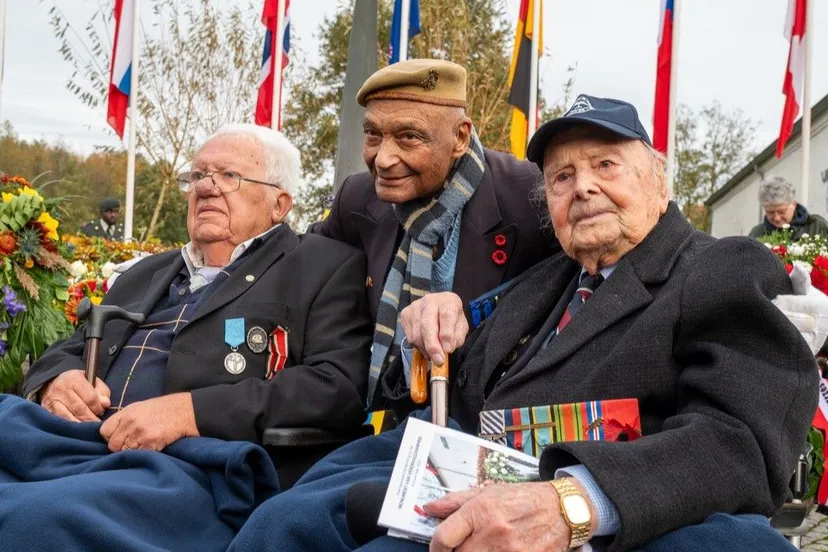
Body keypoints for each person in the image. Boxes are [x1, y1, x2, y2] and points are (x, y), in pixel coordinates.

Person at [228, 96, 816, 552]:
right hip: (459, 472)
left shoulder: (720, 267)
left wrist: (574, 504)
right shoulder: (546, 279)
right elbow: (454, 389)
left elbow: (742, 440)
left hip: (596, 507)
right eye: (561, 178)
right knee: (283, 519)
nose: (582, 186)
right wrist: (435, 321)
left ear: (658, 184)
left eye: (605, 165)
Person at [2, 124, 373, 551]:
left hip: (191, 468)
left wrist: (189, 413)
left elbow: (336, 388)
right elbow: (74, 344)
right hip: (77, 443)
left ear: (280, 204)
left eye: (229, 177)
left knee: (35, 519)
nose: (206, 188)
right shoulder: (147, 271)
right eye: (197, 176)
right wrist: (57, 379)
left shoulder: (322, 266)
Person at [310, 59, 559, 407]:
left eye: (408, 137)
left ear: (460, 137)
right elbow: (310, 275)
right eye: (373, 135)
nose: (383, 159)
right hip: (382, 416)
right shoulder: (357, 197)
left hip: (488, 418)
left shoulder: (533, 195)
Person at [749, 175, 828, 240]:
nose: (777, 218)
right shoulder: (757, 234)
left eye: (782, 211)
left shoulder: (817, 226)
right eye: (770, 212)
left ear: (793, 204)